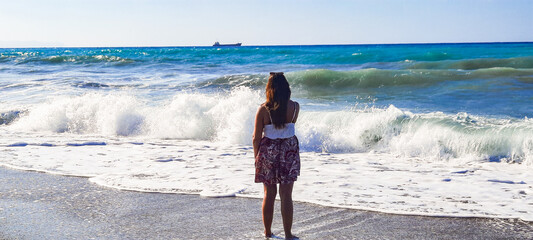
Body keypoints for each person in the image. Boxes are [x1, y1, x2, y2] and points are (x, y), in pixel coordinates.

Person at [253, 72, 300, 239]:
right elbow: (287, 127)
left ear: (269, 89)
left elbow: (256, 138)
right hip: (289, 151)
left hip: (268, 153)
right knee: (287, 194)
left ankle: (267, 232)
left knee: (269, 194)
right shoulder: (295, 107)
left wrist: (256, 158)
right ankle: (288, 234)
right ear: (287, 89)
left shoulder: (263, 109)